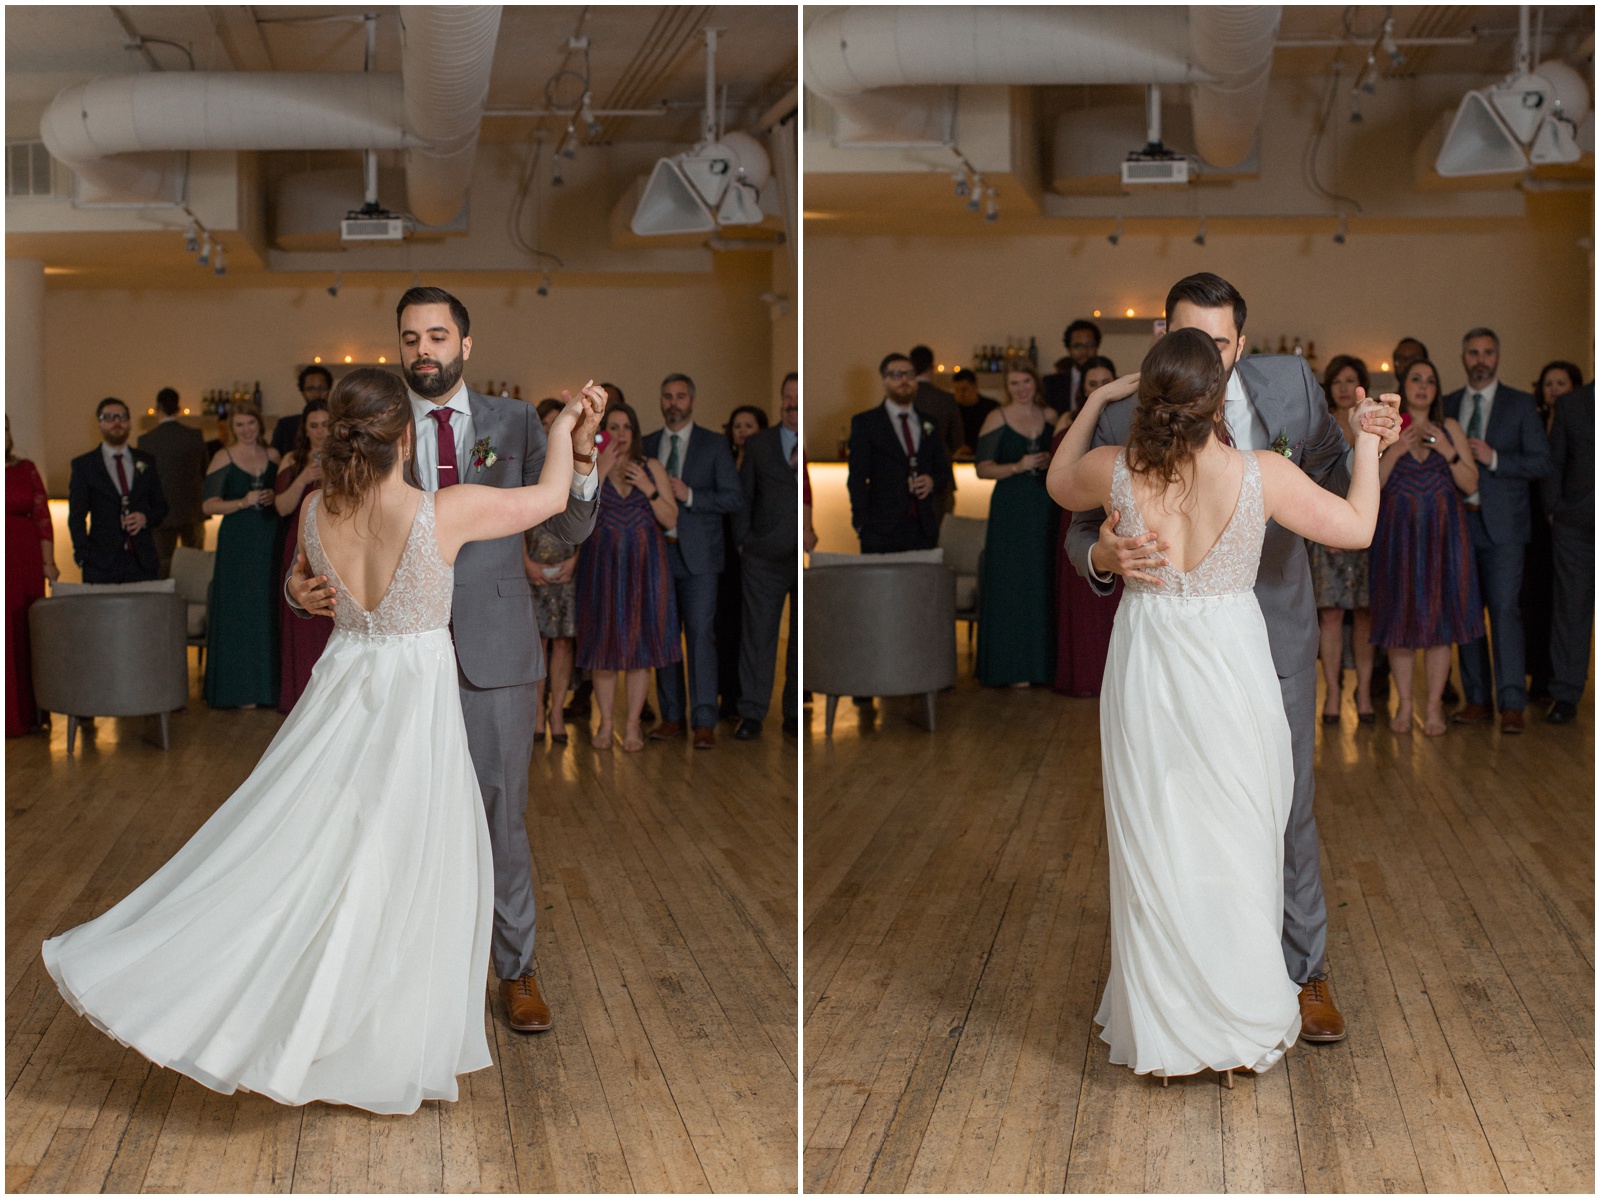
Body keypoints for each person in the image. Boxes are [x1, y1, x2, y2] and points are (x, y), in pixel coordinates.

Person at [43, 369, 593, 1115]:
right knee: (408, 863)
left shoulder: (313, 512)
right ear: (405, 435)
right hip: (408, 707)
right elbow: (552, 500)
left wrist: (296, 591)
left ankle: (313, 1010)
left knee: (322, 851)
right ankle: (369, 1032)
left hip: (341, 695)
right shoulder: (446, 510)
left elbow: (308, 584)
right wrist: (562, 430)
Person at [1065, 273, 1399, 1047]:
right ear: (1163, 337)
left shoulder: (1289, 383)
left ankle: (1305, 972)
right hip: (1161, 651)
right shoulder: (1125, 413)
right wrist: (1105, 554)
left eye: (1222, 343)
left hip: (1268, 635)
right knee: (1172, 816)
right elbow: (1077, 525)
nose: (1210, 359)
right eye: (1194, 340)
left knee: (1284, 812)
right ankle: (1192, 982)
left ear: (1241, 345)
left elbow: (1327, 470)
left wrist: (1367, 434)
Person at [291, 286, 602, 1035]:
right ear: (398, 348)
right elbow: (332, 529)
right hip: (392, 668)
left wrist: (581, 458)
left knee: (500, 822)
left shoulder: (514, 421)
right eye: (409, 337)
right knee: (388, 821)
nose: (422, 349)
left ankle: (516, 971)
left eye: (437, 335)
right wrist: (302, 591)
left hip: (491, 655)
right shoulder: (378, 424)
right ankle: (410, 971)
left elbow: (567, 522)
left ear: (466, 343)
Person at [1441, 328, 1552, 734]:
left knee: (1505, 612)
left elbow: (1541, 463)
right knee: (1467, 614)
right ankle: (1476, 699)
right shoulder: (1448, 403)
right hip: (1458, 524)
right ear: (1463, 356)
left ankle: (1511, 702)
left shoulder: (1521, 405)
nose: (1481, 359)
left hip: (1505, 527)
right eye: (1473, 353)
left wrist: (1495, 459)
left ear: (1498, 357)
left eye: (1488, 352)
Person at [1368, 359, 1483, 735]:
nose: (1422, 386)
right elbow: (1373, 485)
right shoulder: (1389, 427)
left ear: (1436, 390)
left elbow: (1469, 483)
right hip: (1397, 539)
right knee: (1400, 623)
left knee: (1440, 625)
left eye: (1430, 381)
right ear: (1403, 385)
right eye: (1415, 379)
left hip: (1443, 539)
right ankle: (1404, 706)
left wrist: (1447, 450)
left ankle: (1433, 707)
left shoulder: (1449, 427)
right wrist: (1397, 450)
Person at [641, 373, 744, 749]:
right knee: (666, 639)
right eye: (667, 396)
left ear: (692, 401)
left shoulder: (715, 445)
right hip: (658, 556)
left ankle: (704, 719)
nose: (673, 403)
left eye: (681, 396)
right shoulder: (648, 443)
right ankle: (672, 718)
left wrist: (691, 496)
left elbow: (733, 499)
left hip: (700, 559)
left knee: (701, 637)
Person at [576, 403, 680, 751]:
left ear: (634, 433)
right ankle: (605, 725)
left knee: (640, 652)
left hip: (644, 572)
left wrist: (649, 488)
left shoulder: (651, 467)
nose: (620, 434)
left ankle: (633, 725)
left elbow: (670, 519)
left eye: (625, 428)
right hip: (601, 572)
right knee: (604, 651)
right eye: (614, 427)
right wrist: (600, 471)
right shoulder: (591, 465)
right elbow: (576, 518)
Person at [974, 362, 1055, 687]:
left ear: (1035, 382)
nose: (1021, 388)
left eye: (1026, 381)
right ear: (1007, 387)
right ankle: (1011, 668)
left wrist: (1051, 459)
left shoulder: (1051, 416)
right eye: (1014, 383)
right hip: (1010, 507)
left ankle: (1043, 667)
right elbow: (982, 469)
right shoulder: (998, 417)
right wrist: (1017, 466)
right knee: (1010, 582)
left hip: (1044, 505)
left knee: (1041, 579)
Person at [1307, 356, 1377, 724]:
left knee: (1365, 613)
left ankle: (1363, 692)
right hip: (1324, 528)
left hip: (1366, 532)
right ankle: (1332, 693)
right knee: (1331, 615)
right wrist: (1329, 528)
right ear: (1328, 386)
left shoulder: (1373, 423)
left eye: (1353, 380)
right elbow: (1311, 480)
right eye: (1339, 381)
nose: (1346, 387)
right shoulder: (1319, 425)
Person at [201, 402, 280, 709]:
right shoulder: (224, 457)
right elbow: (208, 506)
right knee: (239, 610)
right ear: (231, 429)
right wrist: (242, 502)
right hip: (237, 541)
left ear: (259, 424)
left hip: (268, 537)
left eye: (251, 423)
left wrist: (274, 495)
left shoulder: (273, 456)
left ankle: (267, 689)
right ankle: (239, 690)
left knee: (266, 607)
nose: (246, 430)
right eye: (240, 425)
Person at [733, 374, 799, 739]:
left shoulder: (811, 444)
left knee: (801, 639)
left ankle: (794, 712)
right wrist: (744, 542)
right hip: (764, 557)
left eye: (798, 398)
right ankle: (753, 713)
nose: (792, 404)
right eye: (787, 397)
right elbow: (744, 498)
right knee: (759, 637)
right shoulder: (760, 444)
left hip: (805, 558)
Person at [1051, 356, 1120, 697]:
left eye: (1105, 380)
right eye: (1093, 383)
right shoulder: (1069, 424)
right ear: (1084, 389)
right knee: (1080, 598)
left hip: (1114, 515)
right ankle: (1081, 675)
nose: (1100, 388)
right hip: (1076, 508)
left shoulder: (1123, 423)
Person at [1521, 361, 1583, 705]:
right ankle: (1538, 677)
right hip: (1534, 520)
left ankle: (1560, 676)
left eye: (1561, 382)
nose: (1554, 389)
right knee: (1534, 601)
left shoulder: (1580, 418)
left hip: (1567, 520)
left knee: (1562, 604)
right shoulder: (1534, 419)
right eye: (1548, 383)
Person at [848, 353, 954, 553]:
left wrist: (932, 481)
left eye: (909, 375)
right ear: (884, 381)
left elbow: (943, 469)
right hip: (881, 529)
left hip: (923, 527)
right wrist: (861, 522)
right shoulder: (866, 423)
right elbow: (857, 477)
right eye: (896, 375)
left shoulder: (928, 422)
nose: (904, 380)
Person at [524, 399, 579, 745]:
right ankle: (536, 713)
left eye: (557, 422)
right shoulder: (526, 465)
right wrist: (525, 563)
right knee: (537, 641)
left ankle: (557, 710)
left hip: (568, 564)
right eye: (546, 422)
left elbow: (589, 517)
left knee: (562, 641)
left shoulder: (578, 464)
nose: (550, 428)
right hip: (531, 562)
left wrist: (576, 560)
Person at [272, 399, 332, 714]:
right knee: (302, 620)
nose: (320, 431)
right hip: (299, 546)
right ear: (305, 429)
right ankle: (300, 700)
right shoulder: (291, 459)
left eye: (325, 424)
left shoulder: (343, 457)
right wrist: (305, 474)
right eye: (314, 425)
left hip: (334, 545)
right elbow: (281, 507)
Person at [68, 397, 168, 584]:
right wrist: (82, 555)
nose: (116, 422)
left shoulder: (146, 461)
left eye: (121, 417)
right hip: (101, 563)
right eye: (109, 417)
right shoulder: (85, 465)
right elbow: (76, 515)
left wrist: (145, 518)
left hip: (142, 561)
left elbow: (161, 506)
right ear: (99, 425)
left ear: (129, 423)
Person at [716, 403, 771, 720]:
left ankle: (747, 694)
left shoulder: (766, 461)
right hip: (724, 552)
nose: (742, 431)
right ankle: (727, 695)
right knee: (725, 626)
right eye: (737, 425)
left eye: (749, 425)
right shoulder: (724, 460)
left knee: (750, 628)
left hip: (752, 550)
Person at [1544, 378, 1592, 725]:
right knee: (1571, 612)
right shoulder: (1572, 405)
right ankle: (1566, 694)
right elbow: (1555, 462)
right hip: (1577, 526)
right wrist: (1554, 511)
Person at [7, 416, 58, 737]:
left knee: (25, 631)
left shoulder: (26, 469)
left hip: (24, 561)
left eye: (6, 429)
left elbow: (43, 519)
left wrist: (48, 563)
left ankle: (28, 714)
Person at [137, 388, 207, 578]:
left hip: (160, 511)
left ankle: (164, 601)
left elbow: (142, 479)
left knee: (162, 563)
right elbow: (203, 470)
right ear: (178, 408)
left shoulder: (145, 441)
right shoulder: (194, 436)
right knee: (195, 561)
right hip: (192, 509)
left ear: (157, 408)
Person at [909, 344, 965, 464]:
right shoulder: (946, 399)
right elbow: (958, 439)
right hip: (940, 462)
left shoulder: (903, 398)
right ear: (932, 367)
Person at [270, 365, 334, 457]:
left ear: (329, 390)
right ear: (303, 392)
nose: (317, 394)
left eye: (322, 388)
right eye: (310, 389)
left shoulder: (341, 423)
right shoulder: (286, 425)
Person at [1043, 318, 1103, 416]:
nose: (1084, 352)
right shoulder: (1051, 384)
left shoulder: (1109, 381)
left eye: (1090, 345)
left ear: (1097, 347)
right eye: (1077, 346)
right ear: (1068, 349)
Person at [950, 368, 999, 455]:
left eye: (964, 390)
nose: (960, 394)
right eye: (957, 390)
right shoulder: (952, 409)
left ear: (975, 386)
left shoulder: (990, 408)